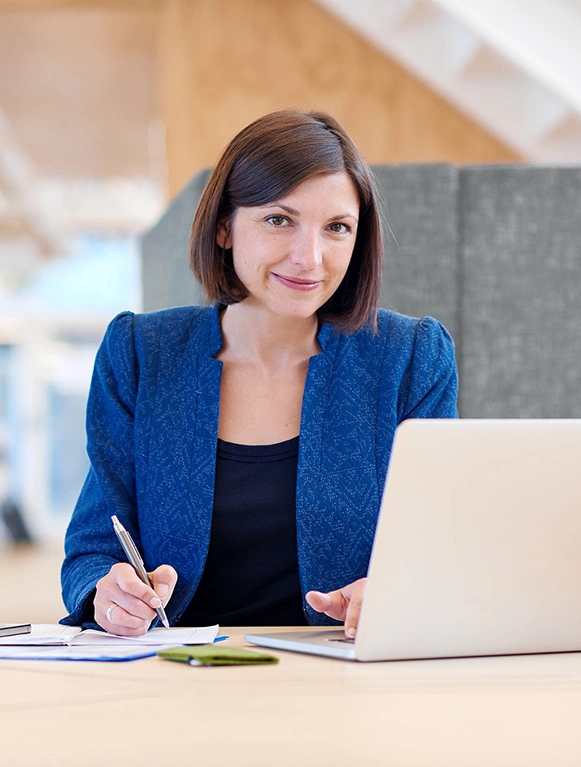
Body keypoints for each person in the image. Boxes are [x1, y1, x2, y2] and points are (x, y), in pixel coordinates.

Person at [60, 109, 458, 638]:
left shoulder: (411, 359)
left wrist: (400, 590)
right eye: (279, 220)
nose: (309, 258)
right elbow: (93, 545)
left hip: (342, 676)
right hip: (175, 675)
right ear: (225, 226)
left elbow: (442, 544)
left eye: (337, 228)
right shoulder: (142, 352)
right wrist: (106, 592)